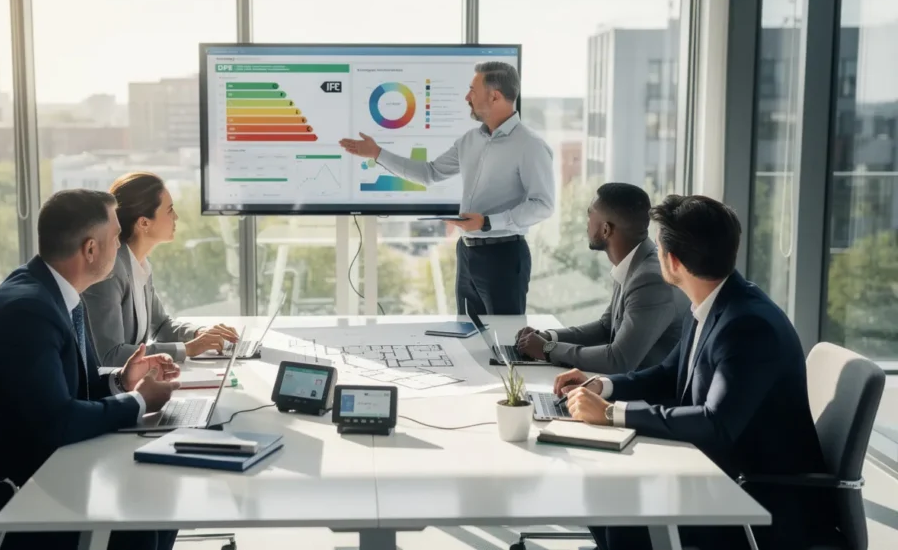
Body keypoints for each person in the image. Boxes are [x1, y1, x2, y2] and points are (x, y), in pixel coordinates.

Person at [554, 195, 837, 550]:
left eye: (656, 248)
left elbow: (715, 424)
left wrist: (612, 414)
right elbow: (667, 374)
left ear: (672, 261)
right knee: (606, 496)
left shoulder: (748, 326)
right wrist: (604, 386)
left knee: (621, 511)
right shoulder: (712, 301)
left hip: (757, 499)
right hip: (718, 474)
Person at [0, 190, 183, 550]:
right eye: (116, 237)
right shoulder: (28, 311)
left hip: (33, 464)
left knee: (153, 504)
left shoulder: (56, 292)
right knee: (140, 515)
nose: (121, 246)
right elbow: (57, 422)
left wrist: (123, 379)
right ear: (90, 250)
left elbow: (77, 385)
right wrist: (138, 402)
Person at [340, 61, 555, 315]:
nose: (467, 97)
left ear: (495, 96)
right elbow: (430, 173)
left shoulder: (529, 145)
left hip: (504, 256)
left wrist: (487, 222)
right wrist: (378, 153)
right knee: (467, 333)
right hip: (467, 253)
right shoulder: (470, 140)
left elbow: (543, 205)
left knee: (504, 343)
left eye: (472, 90)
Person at [514, 183, 688, 373]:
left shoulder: (649, 279)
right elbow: (606, 328)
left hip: (646, 396)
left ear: (606, 230)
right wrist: (547, 337)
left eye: (590, 215)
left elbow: (618, 360)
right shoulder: (634, 261)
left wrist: (547, 350)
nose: (586, 223)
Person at [83, 172, 239, 366]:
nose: (176, 216)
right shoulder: (110, 271)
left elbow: (161, 326)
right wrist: (188, 349)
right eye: (170, 210)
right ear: (144, 223)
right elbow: (111, 356)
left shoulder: (139, 265)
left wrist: (200, 334)